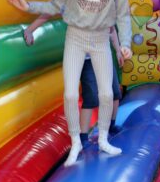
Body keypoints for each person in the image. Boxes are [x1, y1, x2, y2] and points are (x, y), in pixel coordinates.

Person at [7, 0, 132, 167]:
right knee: (71, 93)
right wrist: (28, 6)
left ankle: (103, 138)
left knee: (106, 93)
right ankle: (75, 141)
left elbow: (123, 16)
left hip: (99, 40)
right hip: (75, 37)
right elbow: (55, 6)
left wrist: (124, 44)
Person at [24, 14, 125, 148]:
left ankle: (110, 125)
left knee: (115, 92)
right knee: (91, 97)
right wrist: (30, 30)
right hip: (85, 59)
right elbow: (49, 12)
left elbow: (111, 29)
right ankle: (83, 138)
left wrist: (117, 50)